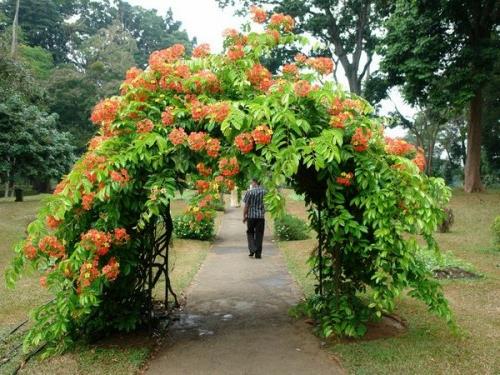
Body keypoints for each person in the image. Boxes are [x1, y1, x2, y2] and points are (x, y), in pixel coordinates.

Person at [242, 178, 266, 259]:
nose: (251, 183)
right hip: (260, 217)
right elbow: (266, 204)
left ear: (254, 182)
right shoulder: (265, 192)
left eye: (252, 182)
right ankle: (258, 254)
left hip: (251, 216)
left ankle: (252, 249)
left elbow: (246, 205)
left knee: (250, 232)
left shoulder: (250, 192)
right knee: (259, 234)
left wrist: (244, 216)